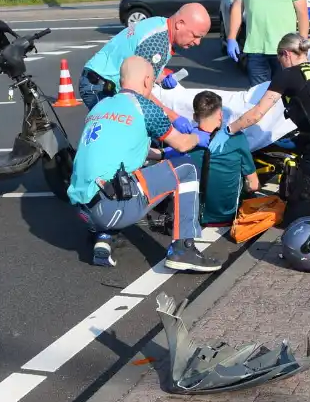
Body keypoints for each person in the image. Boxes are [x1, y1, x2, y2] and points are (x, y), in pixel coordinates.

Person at [68, 56, 222, 272]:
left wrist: (161, 155)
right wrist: (198, 137)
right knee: (186, 168)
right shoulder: (145, 107)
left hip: (82, 210)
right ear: (147, 79)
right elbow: (183, 144)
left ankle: (103, 235)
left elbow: (123, 150)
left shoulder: (101, 106)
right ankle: (183, 249)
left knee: (120, 173)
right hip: (110, 210)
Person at [211, 33, 310, 226]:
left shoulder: (288, 75)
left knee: (296, 216)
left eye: (279, 58)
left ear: (285, 53)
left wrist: (228, 130)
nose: (280, 63)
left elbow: (257, 113)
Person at [79, 2, 211, 113]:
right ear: (180, 24)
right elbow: (140, 92)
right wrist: (171, 116)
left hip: (102, 80)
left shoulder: (160, 24)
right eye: (195, 35)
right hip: (101, 85)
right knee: (116, 131)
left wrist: (160, 77)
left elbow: (138, 60)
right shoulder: (157, 45)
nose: (197, 42)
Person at [167, 91, 260, 225]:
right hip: (228, 215)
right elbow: (254, 185)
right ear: (221, 114)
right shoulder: (237, 139)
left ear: (194, 116)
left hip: (193, 213)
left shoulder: (184, 141)